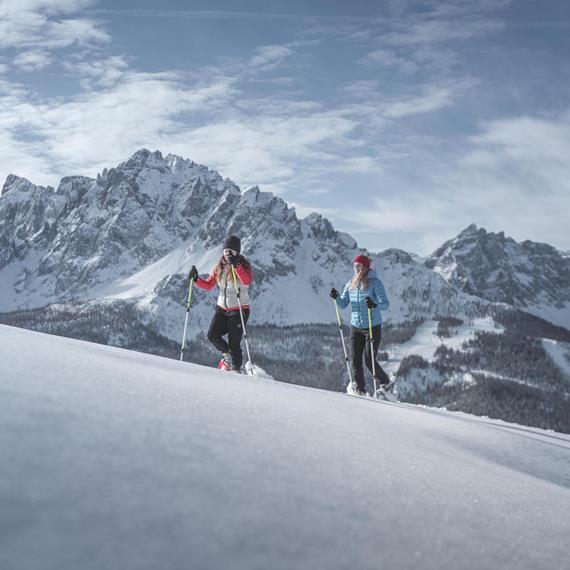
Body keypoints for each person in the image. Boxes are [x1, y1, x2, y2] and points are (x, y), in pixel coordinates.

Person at [189, 236, 253, 372]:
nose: (228, 253)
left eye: (231, 251)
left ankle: (236, 369)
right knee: (212, 335)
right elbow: (208, 285)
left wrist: (237, 266)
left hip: (239, 309)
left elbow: (246, 281)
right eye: (226, 250)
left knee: (234, 342)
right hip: (222, 308)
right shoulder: (220, 266)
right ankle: (228, 356)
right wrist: (196, 279)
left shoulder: (243, 265)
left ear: (237, 252)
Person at [330, 254, 390, 396]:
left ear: (365, 267)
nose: (356, 268)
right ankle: (360, 390)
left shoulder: (375, 283)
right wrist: (336, 297)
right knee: (355, 359)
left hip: (372, 326)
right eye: (355, 266)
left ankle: (385, 382)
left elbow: (385, 304)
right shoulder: (350, 283)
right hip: (356, 326)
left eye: (359, 266)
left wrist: (374, 305)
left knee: (369, 360)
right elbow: (344, 304)